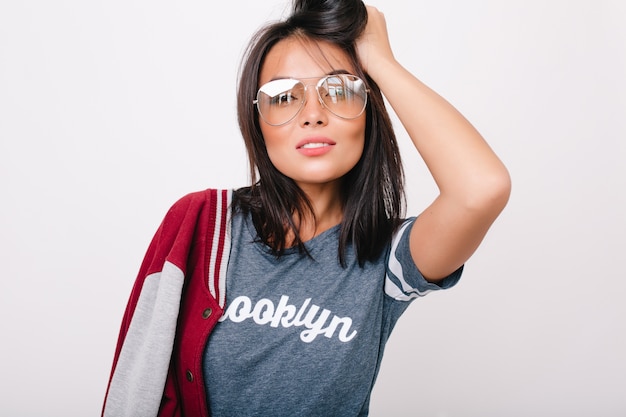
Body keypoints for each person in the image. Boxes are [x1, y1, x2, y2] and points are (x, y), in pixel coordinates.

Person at [102, 0, 511, 416]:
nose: (313, 115)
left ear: (369, 111)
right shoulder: (205, 225)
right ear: (256, 121)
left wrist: (379, 61)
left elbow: (481, 188)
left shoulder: (387, 258)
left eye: (339, 90)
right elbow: (137, 386)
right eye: (282, 97)